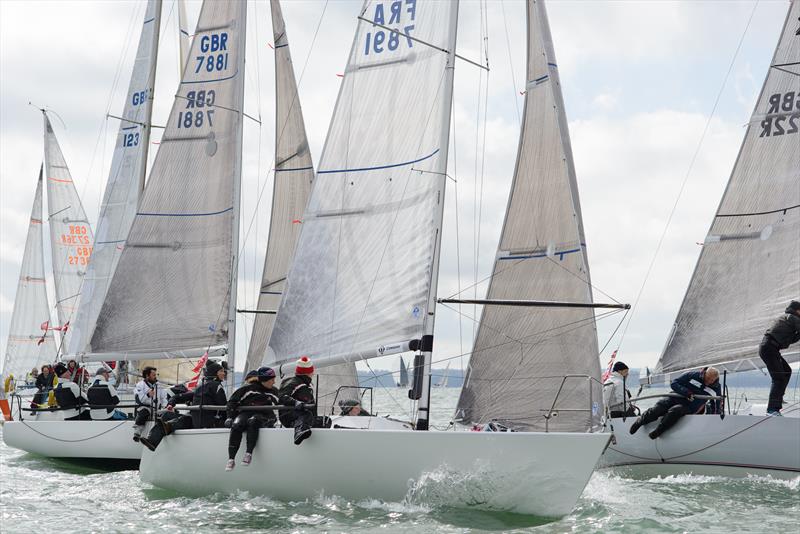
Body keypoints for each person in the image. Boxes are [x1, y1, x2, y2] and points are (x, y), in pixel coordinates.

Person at [139, 360, 228, 451]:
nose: (224, 373)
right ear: (215, 373)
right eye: (221, 371)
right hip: (208, 422)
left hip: (196, 420)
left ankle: (153, 440)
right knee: (174, 418)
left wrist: (170, 404)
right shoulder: (217, 386)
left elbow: (179, 397)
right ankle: (160, 433)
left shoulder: (200, 387)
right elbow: (224, 406)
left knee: (174, 418)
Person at [629, 366, 721, 439]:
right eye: (708, 378)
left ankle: (658, 431)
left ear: (716, 379)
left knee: (675, 411)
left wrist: (715, 419)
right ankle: (640, 421)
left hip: (689, 407)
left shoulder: (717, 388)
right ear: (705, 373)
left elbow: (716, 404)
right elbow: (674, 383)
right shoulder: (692, 375)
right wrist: (686, 392)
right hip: (675, 397)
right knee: (659, 408)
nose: (709, 381)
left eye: (712, 380)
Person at [224, 367, 280, 471]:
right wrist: (229, 417)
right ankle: (231, 459)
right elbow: (232, 401)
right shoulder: (248, 388)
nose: (274, 382)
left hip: (265, 415)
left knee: (253, 421)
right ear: (264, 380)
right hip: (247, 412)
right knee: (236, 425)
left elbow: (282, 403)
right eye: (272, 379)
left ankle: (248, 453)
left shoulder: (273, 391)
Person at [759, 300, 800, 416]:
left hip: (770, 348)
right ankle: (772, 410)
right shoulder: (792, 318)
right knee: (778, 378)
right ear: (798, 311)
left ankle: (778, 398)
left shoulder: (786, 318)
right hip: (769, 348)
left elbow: (790, 339)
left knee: (786, 371)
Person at [279, 356, 319, 445]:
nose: (313, 373)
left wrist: (315, 418)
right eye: (312, 371)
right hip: (289, 416)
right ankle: (298, 433)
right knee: (307, 414)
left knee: (325, 421)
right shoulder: (293, 382)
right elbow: (282, 396)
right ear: (308, 372)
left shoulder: (305, 385)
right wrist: (295, 402)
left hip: (303, 416)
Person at [133, 366, 169, 442]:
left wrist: (164, 407)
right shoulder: (140, 385)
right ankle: (137, 433)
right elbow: (139, 400)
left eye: (156, 375)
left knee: (166, 414)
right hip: (144, 407)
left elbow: (163, 398)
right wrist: (148, 395)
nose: (155, 377)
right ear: (147, 375)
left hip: (156, 409)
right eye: (153, 375)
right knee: (144, 412)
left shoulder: (159, 385)